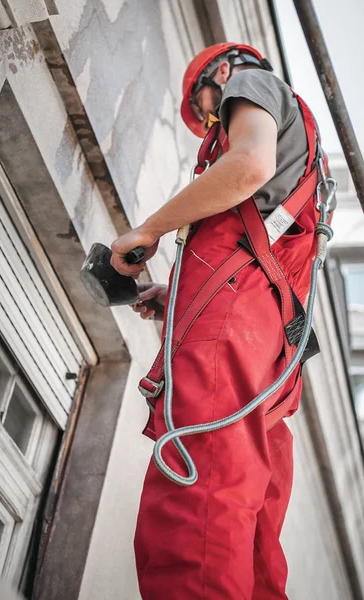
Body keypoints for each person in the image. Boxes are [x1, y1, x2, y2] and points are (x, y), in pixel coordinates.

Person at [111, 42, 331, 599]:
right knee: (248, 522)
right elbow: (259, 254)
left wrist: (149, 229)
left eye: (207, 108)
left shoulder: (251, 86)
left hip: (236, 320)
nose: (213, 120)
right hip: (263, 343)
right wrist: (180, 295)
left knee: (197, 500)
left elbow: (248, 166)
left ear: (223, 73)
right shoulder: (304, 149)